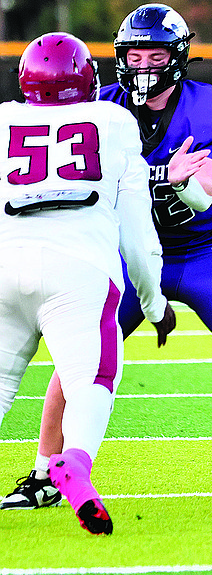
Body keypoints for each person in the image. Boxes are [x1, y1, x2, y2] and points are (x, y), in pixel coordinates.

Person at [2, 4, 212, 508]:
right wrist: (163, 176)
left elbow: (203, 192)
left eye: (154, 53)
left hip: (205, 250)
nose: (142, 65)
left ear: (178, 56)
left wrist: (162, 178)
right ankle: (46, 473)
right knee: (75, 367)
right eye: (133, 54)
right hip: (127, 256)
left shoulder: (210, 107)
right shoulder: (103, 105)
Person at [0, 32, 175, 534]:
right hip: (79, 272)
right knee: (91, 382)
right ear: (88, 80)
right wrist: (154, 301)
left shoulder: (5, 120)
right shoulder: (114, 121)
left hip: (7, 265)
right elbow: (138, 232)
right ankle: (74, 462)